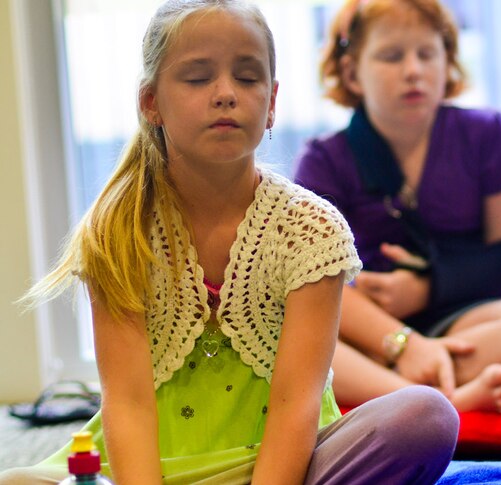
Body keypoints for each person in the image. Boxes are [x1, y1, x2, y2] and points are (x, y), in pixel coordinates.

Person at [0, 1, 458, 483]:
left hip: (289, 466)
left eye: (247, 77)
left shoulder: (311, 230)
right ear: (151, 102)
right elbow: (128, 404)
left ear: (273, 102)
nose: (225, 94)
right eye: (198, 79)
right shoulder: (117, 231)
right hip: (149, 470)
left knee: (426, 417)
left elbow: (295, 404)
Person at [293, 0, 501, 416]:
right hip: (364, 334)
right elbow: (309, 282)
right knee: (288, 341)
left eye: (427, 54)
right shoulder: (323, 160)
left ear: (448, 62)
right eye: (391, 56)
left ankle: (405, 394)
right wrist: (402, 342)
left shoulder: (491, 135)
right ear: (352, 73)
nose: (413, 71)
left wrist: (422, 290)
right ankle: (447, 398)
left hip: (463, 318)